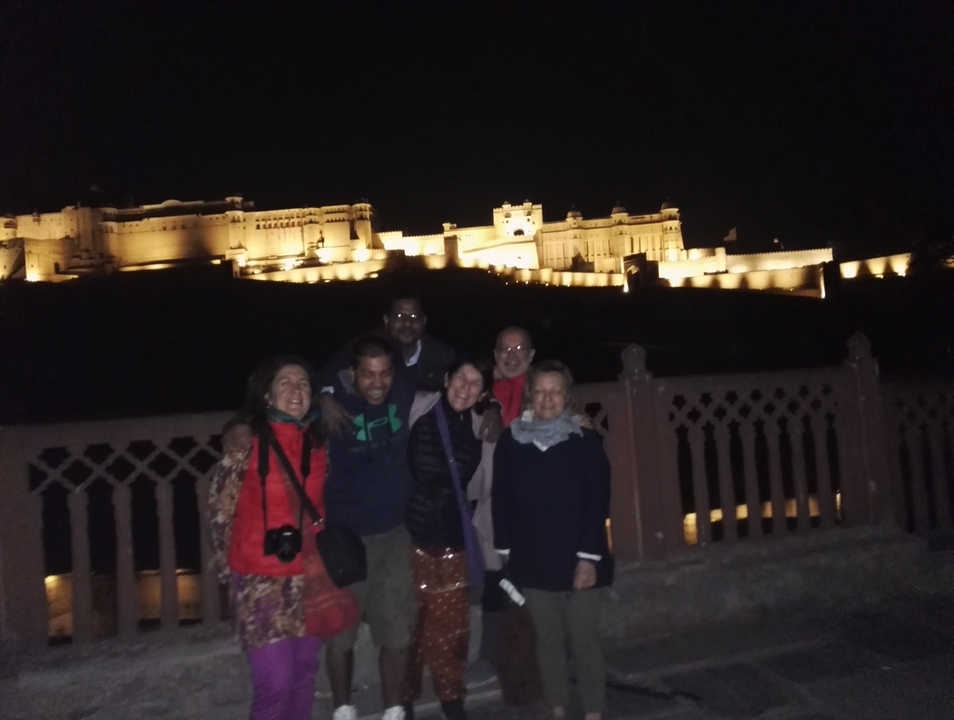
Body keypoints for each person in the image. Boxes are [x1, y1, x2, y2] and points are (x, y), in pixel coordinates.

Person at [208, 356, 329, 720]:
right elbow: (219, 512)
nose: (296, 390)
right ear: (266, 394)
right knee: (274, 684)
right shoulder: (245, 443)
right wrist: (230, 577)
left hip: (309, 576)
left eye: (304, 383)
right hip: (260, 580)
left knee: (305, 673)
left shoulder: (318, 443)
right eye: (285, 383)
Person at [491, 360, 612, 720]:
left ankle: (593, 711)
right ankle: (557, 706)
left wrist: (588, 558)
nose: (547, 398)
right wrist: (506, 550)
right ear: (530, 394)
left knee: (585, 641)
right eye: (540, 391)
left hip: (580, 558)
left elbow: (597, 500)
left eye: (555, 391)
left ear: (567, 396)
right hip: (532, 558)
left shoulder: (584, 441)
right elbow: (502, 498)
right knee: (548, 641)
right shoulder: (511, 442)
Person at [324, 336, 418, 720]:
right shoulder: (331, 406)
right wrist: (321, 396)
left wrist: (492, 403)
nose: (377, 383)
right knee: (339, 633)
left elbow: (458, 384)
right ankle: (343, 710)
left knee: (397, 631)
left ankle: (393, 711)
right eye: (368, 374)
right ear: (352, 374)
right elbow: (280, 400)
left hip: (396, 533)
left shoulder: (405, 394)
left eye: (384, 373)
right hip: (345, 537)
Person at [402, 356, 495, 720]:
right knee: (408, 626)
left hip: (453, 539)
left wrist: (496, 407)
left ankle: (452, 699)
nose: (465, 387)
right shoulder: (418, 408)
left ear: (483, 392)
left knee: (452, 630)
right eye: (460, 378)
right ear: (446, 378)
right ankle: (403, 698)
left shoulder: (479, 426)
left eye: (475, 383)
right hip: (411, 536)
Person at [317, 288, 502, 442]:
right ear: (386, 321)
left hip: (425, 444)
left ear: (424, 322)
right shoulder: (365, 347)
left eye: (414, 316)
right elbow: (321, 378)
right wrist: (325, 398)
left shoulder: (440, 355)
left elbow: (472, 379)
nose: (407, 323)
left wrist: (493, 407)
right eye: (399, 316)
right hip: (374, 441)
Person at [465, 326, 536, 686]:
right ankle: (489, 655)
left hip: (538, 509)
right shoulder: (481, 393)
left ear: (532, 354)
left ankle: (548, 650)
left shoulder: (545, 392)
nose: (512, 355)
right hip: (494, 506)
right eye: (505, 349)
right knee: (497, 581)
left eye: (520, 348)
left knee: (542, 580)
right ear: (495, 356)